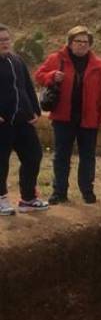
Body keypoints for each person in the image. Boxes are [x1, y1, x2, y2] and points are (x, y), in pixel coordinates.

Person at [35, 26, 101, 204]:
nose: (82, 45)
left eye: (85, 42)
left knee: (88, 156)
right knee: (61, 156)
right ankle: (59, 192)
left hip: (88, 119)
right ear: (70, 43)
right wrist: (52, 75)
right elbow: (39, 76)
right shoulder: (56, 59)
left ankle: (87, 191)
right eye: (78, 41)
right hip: (63, 118)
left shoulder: (99, 65)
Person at [0, 23, 48, 215]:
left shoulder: (17, 60)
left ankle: (28, 198)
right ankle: (1, 198)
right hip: (3, 122)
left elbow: (27, 87)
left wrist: (35, 110)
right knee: (1, 161)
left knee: (33, 155)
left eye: (6, 39)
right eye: (0, 40)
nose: (4, 43)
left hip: (22, 120)